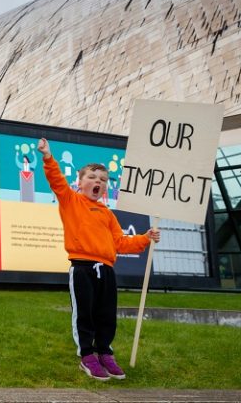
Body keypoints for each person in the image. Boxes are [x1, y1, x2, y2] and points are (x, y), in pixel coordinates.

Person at [37, 137, 160, 381]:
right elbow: (56, 181)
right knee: (85, 313)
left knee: (106, 314)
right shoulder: (71, 201)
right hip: (82, 269)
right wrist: (48, 157)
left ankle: (105, 352)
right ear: (80, 182)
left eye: (103, 180)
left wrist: (146, 237)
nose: (98, 182)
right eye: (92, 177)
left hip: (107, 270)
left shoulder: (108, 214)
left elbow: (121, 243)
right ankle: (87, 355)